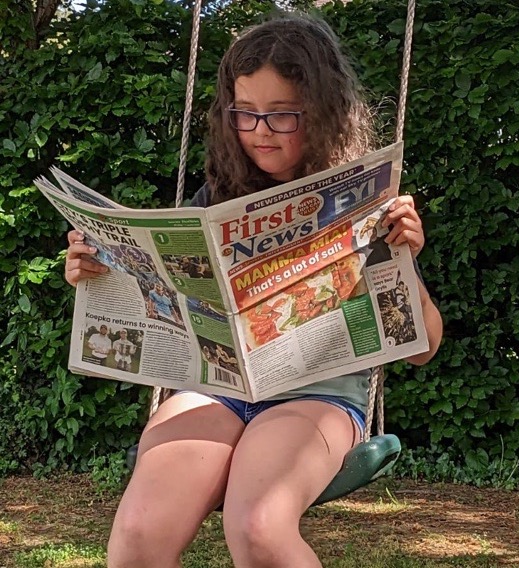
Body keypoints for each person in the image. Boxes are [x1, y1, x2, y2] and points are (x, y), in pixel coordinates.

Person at [64, 13, 443, 568]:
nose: (260, 130)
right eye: (245, 112)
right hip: (217, 388)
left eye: (282, 115)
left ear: (322, 113)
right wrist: (98, 272)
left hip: (316, 397)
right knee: (140, 533)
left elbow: (423, 348)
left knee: (258, 525)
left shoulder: (369, 207)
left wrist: (406, 258)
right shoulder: (212, 200)